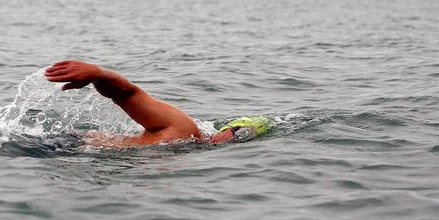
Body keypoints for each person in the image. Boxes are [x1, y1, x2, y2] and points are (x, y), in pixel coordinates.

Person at [46, 60, 271, 147]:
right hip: (64, 145)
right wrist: (99, 74)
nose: (230, 135)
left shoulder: (189, 150)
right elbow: (128, 95)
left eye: (238, 134)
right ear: (224, 130)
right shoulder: (184, 129)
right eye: (234, 129)